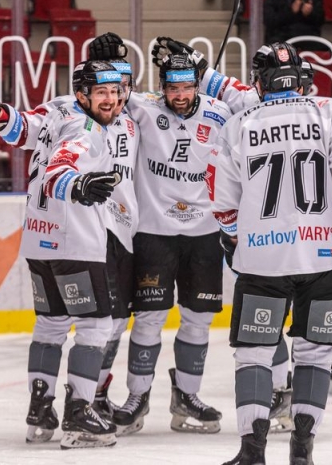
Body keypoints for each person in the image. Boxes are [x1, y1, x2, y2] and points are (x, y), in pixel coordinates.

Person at [208, 42, 332, 464]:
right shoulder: (330, 112)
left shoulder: (236, 125)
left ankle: (252, 452)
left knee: (253, 353)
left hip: (262, 260)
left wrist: (232, 240)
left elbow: (222, 202)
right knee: (317, 352)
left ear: (259, 83)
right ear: (302, 80)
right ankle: (302, 452)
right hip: (324, 258)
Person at [0, 35, 140, 428]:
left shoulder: (62, 111)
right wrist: (77, 186)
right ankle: (79, 412)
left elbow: (22, 128)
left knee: (51, 323)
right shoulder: (86, 127)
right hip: (77, 237)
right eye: (103, 91)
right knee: (96, 325)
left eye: (116, 90)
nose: (112, 98)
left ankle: (39, 411)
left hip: (39, 236)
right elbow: (59, 170)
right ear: (82, 93)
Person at [110, 48, 232, 437]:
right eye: (173, 88)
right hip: (153, 232)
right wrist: (113, 60)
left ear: (197, 85)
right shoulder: (143, 108)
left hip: (205, 234)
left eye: (187, 87)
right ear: (161, 87)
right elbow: (106, 94)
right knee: (149, 318)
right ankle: (137, 397)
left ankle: (187, 396)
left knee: (198, 318)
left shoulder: (221, 113)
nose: (181, 95)